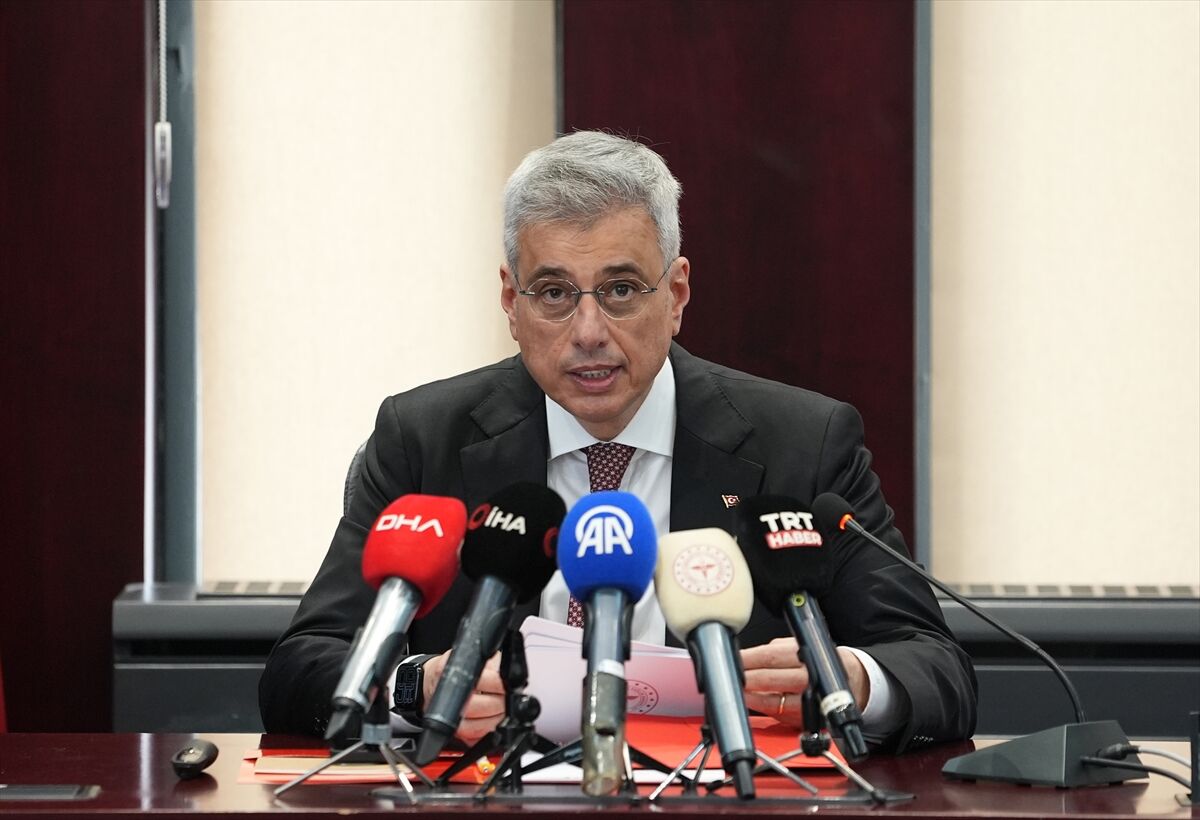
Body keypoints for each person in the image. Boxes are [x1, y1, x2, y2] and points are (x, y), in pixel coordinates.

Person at [259, 131, 976, 753]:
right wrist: (418, 685)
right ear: (510, 300)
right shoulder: (424, 439)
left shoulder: (803, 443)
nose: (589, 332)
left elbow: (936, 667)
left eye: (622, 289)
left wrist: (852, 678)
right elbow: (300, 669)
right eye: (553, 292)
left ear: (677, 294)